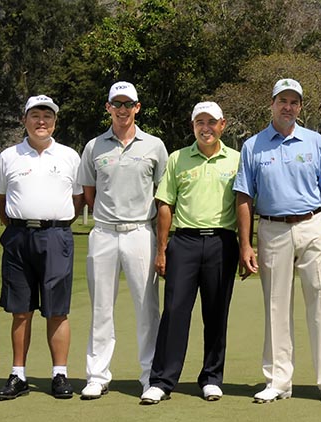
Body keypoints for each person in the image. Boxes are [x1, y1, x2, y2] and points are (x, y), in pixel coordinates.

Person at [233, 78, 321, 405]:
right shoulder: (253, 146)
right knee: (276, 305)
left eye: (294, 102)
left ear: (300, 106)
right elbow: (244, 197)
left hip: (312, 225)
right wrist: (246, 244)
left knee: (320, 303)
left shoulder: (315, 141)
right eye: (282, 100)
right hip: (272, 229)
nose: (288, 107)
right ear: (271, 104)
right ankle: (278, 380)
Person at [140, 102, 240, 405]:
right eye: (200, 122)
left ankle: (211, 377)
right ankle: (162, 380)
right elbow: (165, 205)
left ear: (223, 125)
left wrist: (248, 245)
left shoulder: (236, 159)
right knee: (174, 312)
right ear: (192, 124)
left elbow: (244, 205)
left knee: (216, 313)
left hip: (223, 242)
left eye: (211, 122)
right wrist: (162, 250)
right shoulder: (177, 158)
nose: (205, 128)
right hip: (184, 242)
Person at [78, 81, 168, 399]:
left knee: (147, 308)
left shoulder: (154, 146)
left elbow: (163, 197)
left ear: (137, 107)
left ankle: (150, 375)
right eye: (117, 103)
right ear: (108, 108)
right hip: (103, 232)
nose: (122, 109)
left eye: (128, 103)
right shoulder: (93, 147)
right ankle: (97, 375)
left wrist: (161, 243)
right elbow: (89, 193)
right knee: (101, 307)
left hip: (141, 232)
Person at [0, 95, 84, 401]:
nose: (41, 121)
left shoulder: (69, 156)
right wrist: (15, 225)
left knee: (57, 311)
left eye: (47, 116)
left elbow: (77, 199)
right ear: (24, 120)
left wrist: (55, 224)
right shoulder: (8, 156)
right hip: (18, 237)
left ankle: (60, 374)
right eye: (35, 115)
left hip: (56, 236)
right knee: (21, 311)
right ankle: (18, 375)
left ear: (55, 122)